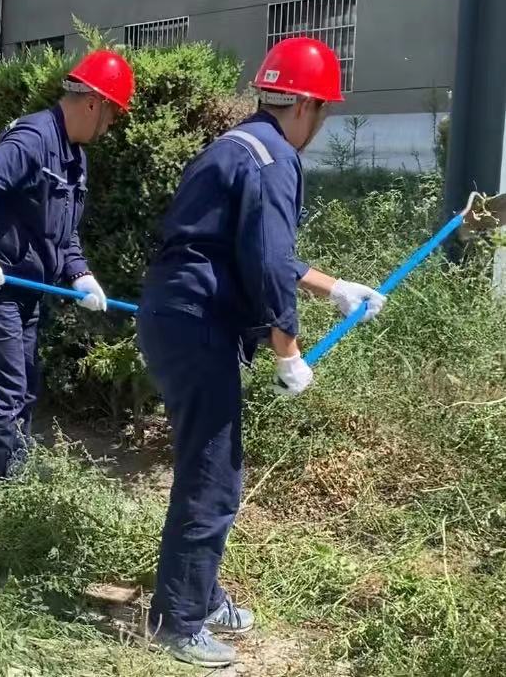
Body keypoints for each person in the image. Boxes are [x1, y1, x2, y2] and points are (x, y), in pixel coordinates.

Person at [136, 37, 387, 668]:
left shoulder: (233, 146)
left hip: (172, 316)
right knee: (213, 474)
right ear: (304, 105)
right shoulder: (275, 160)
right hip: (199, 325)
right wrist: (288, 351)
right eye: (323, 111)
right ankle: (179, 621)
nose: (319, 125)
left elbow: (244, 247)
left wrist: (335, 287)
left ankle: (201, 594)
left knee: (209, 463)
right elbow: (269, 264)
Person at [0, 50, 135, 482]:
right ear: (93, 103)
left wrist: (80, 274)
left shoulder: (74, 157)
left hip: (27, 287)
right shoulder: (33, 139)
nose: (110, 126)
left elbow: (63, 231)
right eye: (112, 114)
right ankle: (0, 495)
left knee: (26, 386)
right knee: (4, 389)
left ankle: (13, 479)